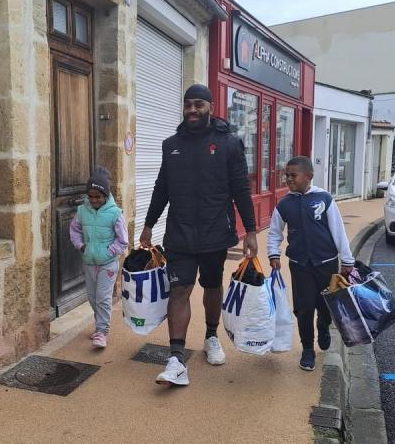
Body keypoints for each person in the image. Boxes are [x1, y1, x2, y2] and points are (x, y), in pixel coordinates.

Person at [140, 84, 257, 386]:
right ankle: (177, 357)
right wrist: (149, 223)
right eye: (188, 105)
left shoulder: (229, 144)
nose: (192, 110)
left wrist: (251, 230)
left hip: (215, 231)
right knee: (179, 290)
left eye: (198, 105)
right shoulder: (171, 144)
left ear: (210, 107)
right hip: (179, 233)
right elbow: (161, 187)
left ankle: (211, 336)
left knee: (212, 285)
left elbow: (241, 189)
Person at [267, 156, 354, 371]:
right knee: (303, 308)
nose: (288, 179)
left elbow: (338, 231)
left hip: (326, 263)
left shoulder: (324, 199)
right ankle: (307, 348)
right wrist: (274, 254)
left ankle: (323, 327)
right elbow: (275, 233)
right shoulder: (284, 204)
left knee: (325, 305)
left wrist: (347, 259)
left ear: (309, 176)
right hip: (300, 264)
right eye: (286, 175)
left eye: (293, 175)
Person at [70, 166, 129, 348]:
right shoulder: (82, 211)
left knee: (103, 297)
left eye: (98, 196)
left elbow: (123, 241)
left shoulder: (115, 214)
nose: (94, 200)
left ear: (106, 195)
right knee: (92, 297)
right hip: (89, 262)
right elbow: (74, 229)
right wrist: (81, 246)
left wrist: (109, 252)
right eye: (91, 196)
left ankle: (102, 331)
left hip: (108, 264)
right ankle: (99, 326)